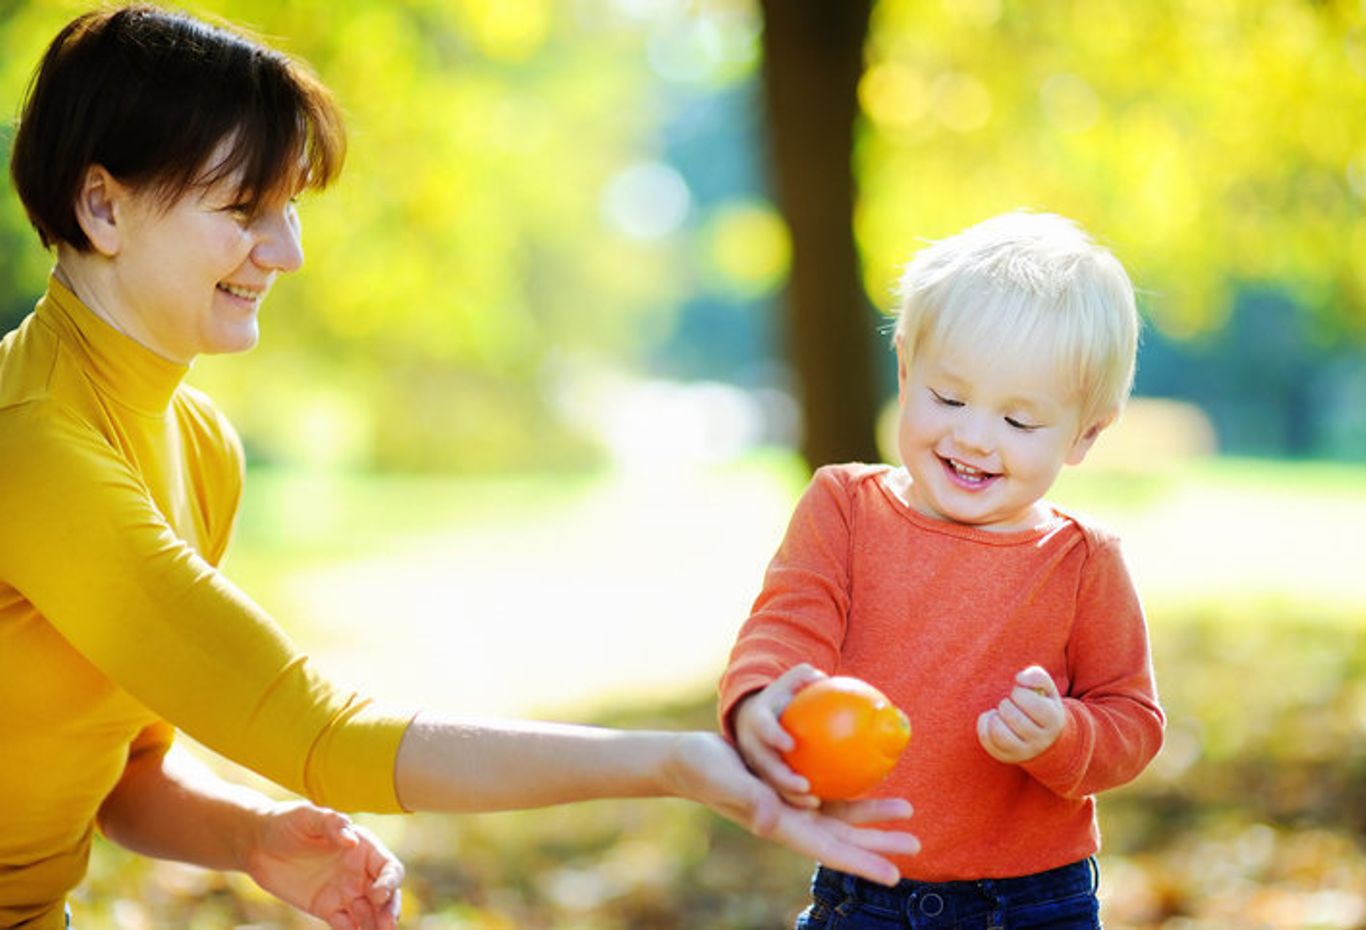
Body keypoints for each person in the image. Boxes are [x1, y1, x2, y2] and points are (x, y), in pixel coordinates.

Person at [0, 6, 921, 929]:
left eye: (288, 208)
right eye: (244, 209)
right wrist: (675, 761)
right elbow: (320, 733)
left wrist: (253, 836)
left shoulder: (197, 445)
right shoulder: (34, 446)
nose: (287, 251)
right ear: (102, 206)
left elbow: (123, 769)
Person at [718, 211, 1168, 929]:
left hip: (1031, 902)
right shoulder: (845, 508)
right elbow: (786, 625)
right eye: (947, 398)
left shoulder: (1083, 562)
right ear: (904, 369)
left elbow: (1133, 722)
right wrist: (761, 700)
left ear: (1085, 434)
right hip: (865, 885)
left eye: (1019, 423)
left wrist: (1062, 737)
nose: (973, 436)